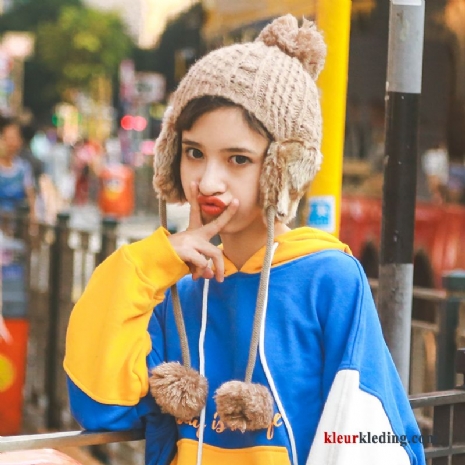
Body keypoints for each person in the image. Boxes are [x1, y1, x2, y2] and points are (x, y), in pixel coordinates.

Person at [64, 15, 425, 465]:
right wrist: (145, 264)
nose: (207, 181)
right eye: (194, 153)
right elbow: (101, 408)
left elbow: (374, 436)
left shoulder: (326, 277)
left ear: (282, 169)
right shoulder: (168, 285)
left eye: (238, 159)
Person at [0, 118, 36, 220]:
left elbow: (31, 196)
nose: (12, 143)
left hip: (17, 226)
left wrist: (33, 217)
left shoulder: (23, 168)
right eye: (8, 138)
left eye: (15, 138)